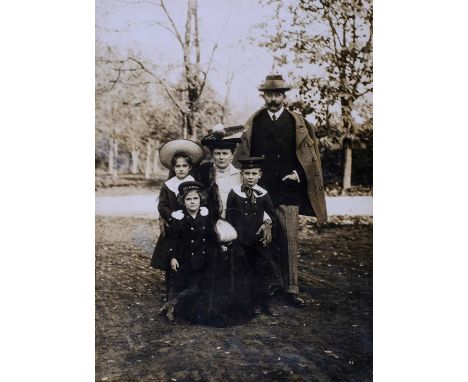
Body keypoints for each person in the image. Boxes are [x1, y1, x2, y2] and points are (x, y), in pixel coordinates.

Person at [233, 74, 328, 308]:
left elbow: (312, 157)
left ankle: (291, 289)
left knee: (288, 239)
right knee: (260, 237)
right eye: (269, 94)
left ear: (284, 96)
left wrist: (298, 173)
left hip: (288, 191)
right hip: (261, 191)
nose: (273, 99)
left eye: (278, 94)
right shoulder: (254, 123)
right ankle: (267, 285)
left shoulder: (300, 123)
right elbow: (243, 157)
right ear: (263, 96)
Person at [150, 139, 205, 299]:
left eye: (184, 166)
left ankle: (187, 297)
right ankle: (170, 296)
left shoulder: (194, 184)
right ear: (173, 168)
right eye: (178, 166)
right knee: (172, 262)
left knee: (189, 261)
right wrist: (171, 215)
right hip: (174, 228)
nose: (181, 169)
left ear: (190, 167)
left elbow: (200, 201)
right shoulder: (168, 185)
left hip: (191, 228)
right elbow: (162, 205)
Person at [225, 157, 277, 315]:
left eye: (254, 173)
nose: (250, 177)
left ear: (260, 175)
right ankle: (249, 305)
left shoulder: (263, 194)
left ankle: (265, 304)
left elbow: (272, 215)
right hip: (241, 241)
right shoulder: (234, 194)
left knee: (261, 271)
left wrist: (266, 223)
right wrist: (232, 239)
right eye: (247, 173)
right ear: (241, 174)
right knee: (245, 272)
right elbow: (229, 217)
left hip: (259, 241)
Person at [159, 181, 215, 322]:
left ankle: (172, 304)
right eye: (188, 199)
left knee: (198, 287)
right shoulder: (179, 218)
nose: (192, 202)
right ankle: (172, 306)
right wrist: (173, 257)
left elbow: (210, 237)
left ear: (201, 199)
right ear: (183, 201)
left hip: (202, 258)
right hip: (184, 258)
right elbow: (172, 240)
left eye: (195, 198)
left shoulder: (205, 216)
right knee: (179, 283)